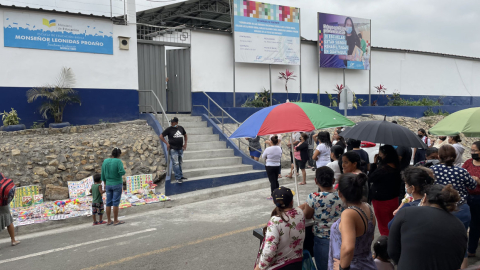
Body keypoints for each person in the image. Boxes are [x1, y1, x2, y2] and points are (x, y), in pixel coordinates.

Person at [388, 184, 467, 270]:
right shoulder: (459, 225)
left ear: (424, 197)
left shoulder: (406, 212)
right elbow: (458, 258)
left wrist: (405, 261)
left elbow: (392, 250)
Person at [431, 144, 480, 268]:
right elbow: (473, 186)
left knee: (439, 239)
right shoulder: (461, 171)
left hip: (439, 208)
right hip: (460, 208)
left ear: (439, 156)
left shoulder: (433, 170)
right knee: (460, 241)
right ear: (454, 156)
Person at [328, 173, 377, 270]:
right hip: (367, 263)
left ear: (339, 193)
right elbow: (370, 237)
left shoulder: (348, 214)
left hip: (351, 265)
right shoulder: (368, 207)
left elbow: (348, 248)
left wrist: (342, 268)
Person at [299, 167, 344, 270]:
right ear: (333, 181)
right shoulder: (342, 196)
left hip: (322, 239)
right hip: (341, 237)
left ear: (316, 181)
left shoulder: (313, 197)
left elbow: (307, 215)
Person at [255, 187, 305, 270]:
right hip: (296, 263)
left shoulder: (275, 220)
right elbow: (303, 206)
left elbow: (270, 249)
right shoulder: (300, 213)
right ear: (292, 201)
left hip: (279, 266)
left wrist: (260, 267)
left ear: (274, 202)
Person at [368, 145, 401, 236]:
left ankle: (386, 245)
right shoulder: (397, 166)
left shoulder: (383, 169)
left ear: (385, 155)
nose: (379, 156)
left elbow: (370, 178)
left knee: (383, 225)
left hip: (381, 200)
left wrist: (374, 164)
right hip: (394, 198)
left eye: (381, 154)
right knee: (392, 222)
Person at [101, 148, 126, 226]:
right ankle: (115, 220)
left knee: (108, 202)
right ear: (119, 155)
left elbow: (103, 174)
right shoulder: (118, 161)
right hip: (117, 183)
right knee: (115, 202)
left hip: (108, 184)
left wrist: (105, 183)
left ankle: (109, 220)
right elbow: (122, 172)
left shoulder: (105, 161)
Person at [463, 141, 480, 257]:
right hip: (467, 196)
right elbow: (461, 174)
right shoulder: (468, 162)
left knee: (476, 224)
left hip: (479, 198)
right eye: (471, 150)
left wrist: (478, 181)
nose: (472, 153)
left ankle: (472, 249)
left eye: (475, 151)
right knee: (466, 222)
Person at [160, 117, 188, 183]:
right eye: (171, 122)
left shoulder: (181, 128)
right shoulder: (169, 129)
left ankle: (181, 176)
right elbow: (161, 136)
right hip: (173, 149)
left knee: (180, 163)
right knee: (176, 163)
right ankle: (178, 177)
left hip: (180, 148)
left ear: (177, 122)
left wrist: (185, 144)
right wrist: (166, 143)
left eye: (173, 122)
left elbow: (185, 135)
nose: (171, 123)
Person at [0, 173, 20, 247]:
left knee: (8, 219)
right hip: (2, 201)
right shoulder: (1, 174)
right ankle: (13, 240)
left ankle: (13, 240)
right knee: (8, 219)